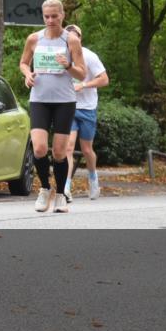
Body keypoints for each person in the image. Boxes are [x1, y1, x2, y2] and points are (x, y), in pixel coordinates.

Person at [19, 0, 86, 214]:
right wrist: (27, 74)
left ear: (62, 15)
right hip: (39, 99)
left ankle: (61, 195)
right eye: (46, 16)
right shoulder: (34, 38)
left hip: (64, 101)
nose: (50, 20)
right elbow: (23, 63)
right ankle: (45, 189)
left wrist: (68, 65)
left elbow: (82, 73)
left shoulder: (71, 40)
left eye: (54, 16)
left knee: (58, 152)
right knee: (39, 148)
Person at [62, 24, 109, 201]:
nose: (72, 40)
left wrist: (84, 85)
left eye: (75, 36)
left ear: (80, 39)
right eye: (69, 37)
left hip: (87, 108)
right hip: (68, 106)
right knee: (68, 147)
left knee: (87, 149)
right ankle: (66, 187)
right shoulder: (61, 57)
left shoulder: (89, 56)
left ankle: (93, 179)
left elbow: (104, 79)